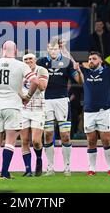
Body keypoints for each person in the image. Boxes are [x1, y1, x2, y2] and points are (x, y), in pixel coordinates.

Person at [0, 41, 38, 179]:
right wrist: (27, 97)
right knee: (10, 140)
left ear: (2, 50)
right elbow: (35, 81)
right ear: (15, 51)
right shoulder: (21, 65)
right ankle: (4, 172)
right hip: (13, 105)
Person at [76, 37, 110, 176]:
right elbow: (70, 61)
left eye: (93, 59)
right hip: (88, 111)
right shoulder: (85, 72)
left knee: (106, 140)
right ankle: (92, 169)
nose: (90, 61)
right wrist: (62, 48)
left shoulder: (108, 72)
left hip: (104, 110)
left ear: (100, 60)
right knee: (91, 140)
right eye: (89, 59)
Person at [36, 39, 82, 176]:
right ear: (47, 49)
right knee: (48, 134)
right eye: (51, 49)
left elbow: (78, 81)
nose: (53, 51)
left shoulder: (66, 62)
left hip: (62, 101)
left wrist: (78, 71)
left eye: (55, 49)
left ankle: (67, 167)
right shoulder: (41, 62)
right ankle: (50, 168)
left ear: (59, 49)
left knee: (65, 135)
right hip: (47, 101)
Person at [20, 53, 49, 177]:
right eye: (25, 59)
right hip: (23, 110)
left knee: (36, 141)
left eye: (30, 59)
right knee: (24, 141)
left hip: (38, 110)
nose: (28, 61)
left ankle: (39, 160)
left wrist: (31, 75)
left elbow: (42, 87)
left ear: (35, 60)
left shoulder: (41, 70)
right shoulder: (19, 72)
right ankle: (28, 170)